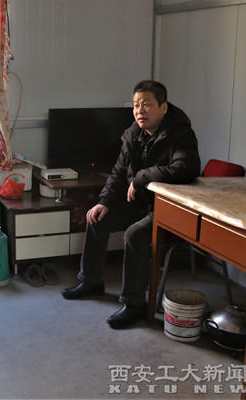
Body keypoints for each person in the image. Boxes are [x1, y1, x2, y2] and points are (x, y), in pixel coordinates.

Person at [61, 80, 201, 329]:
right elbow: (118, 172)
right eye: (136, 105)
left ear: (163, 107)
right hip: (138, 203)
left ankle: (134, 304)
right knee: (97, 218)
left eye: (147, 104)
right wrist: (104, 202)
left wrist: (140, 177)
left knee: (134, 234)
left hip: (166, 209)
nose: (140, 111)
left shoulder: (180, 133)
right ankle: (91, 281)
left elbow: (186, 168)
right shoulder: (133, 134)